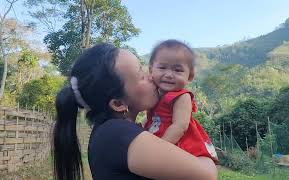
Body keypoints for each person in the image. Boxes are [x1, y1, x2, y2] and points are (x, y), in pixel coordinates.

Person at [53, 43, 218, 180]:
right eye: (141, 76)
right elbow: (207, 176)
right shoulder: (117, 134)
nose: (151, 77)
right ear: (118, 104)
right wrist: (202, 148)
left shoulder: (112, 131)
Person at [144, 40, 219, 168]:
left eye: (177, 70)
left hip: (178, 142)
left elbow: (180, 126)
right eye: (162, 68)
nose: (168, 75)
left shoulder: (182, 97)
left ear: (190, 76)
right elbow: (151, 116)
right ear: (151, 70)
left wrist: (160, 148)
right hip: (158, 138)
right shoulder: (154, 92)